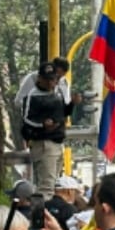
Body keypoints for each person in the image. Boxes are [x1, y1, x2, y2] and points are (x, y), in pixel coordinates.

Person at [14, 59, 78, 189]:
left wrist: (72, 104)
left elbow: (63, 112)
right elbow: (25, 114)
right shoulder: (32, 92)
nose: (53, 82)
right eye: (48, 79)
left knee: (54, 183)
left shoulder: (60, 88)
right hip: (43, 141)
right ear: (40, 78)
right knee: (46, 185)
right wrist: (42, 124)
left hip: (58, 139)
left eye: (56, 78)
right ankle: (44, 207)